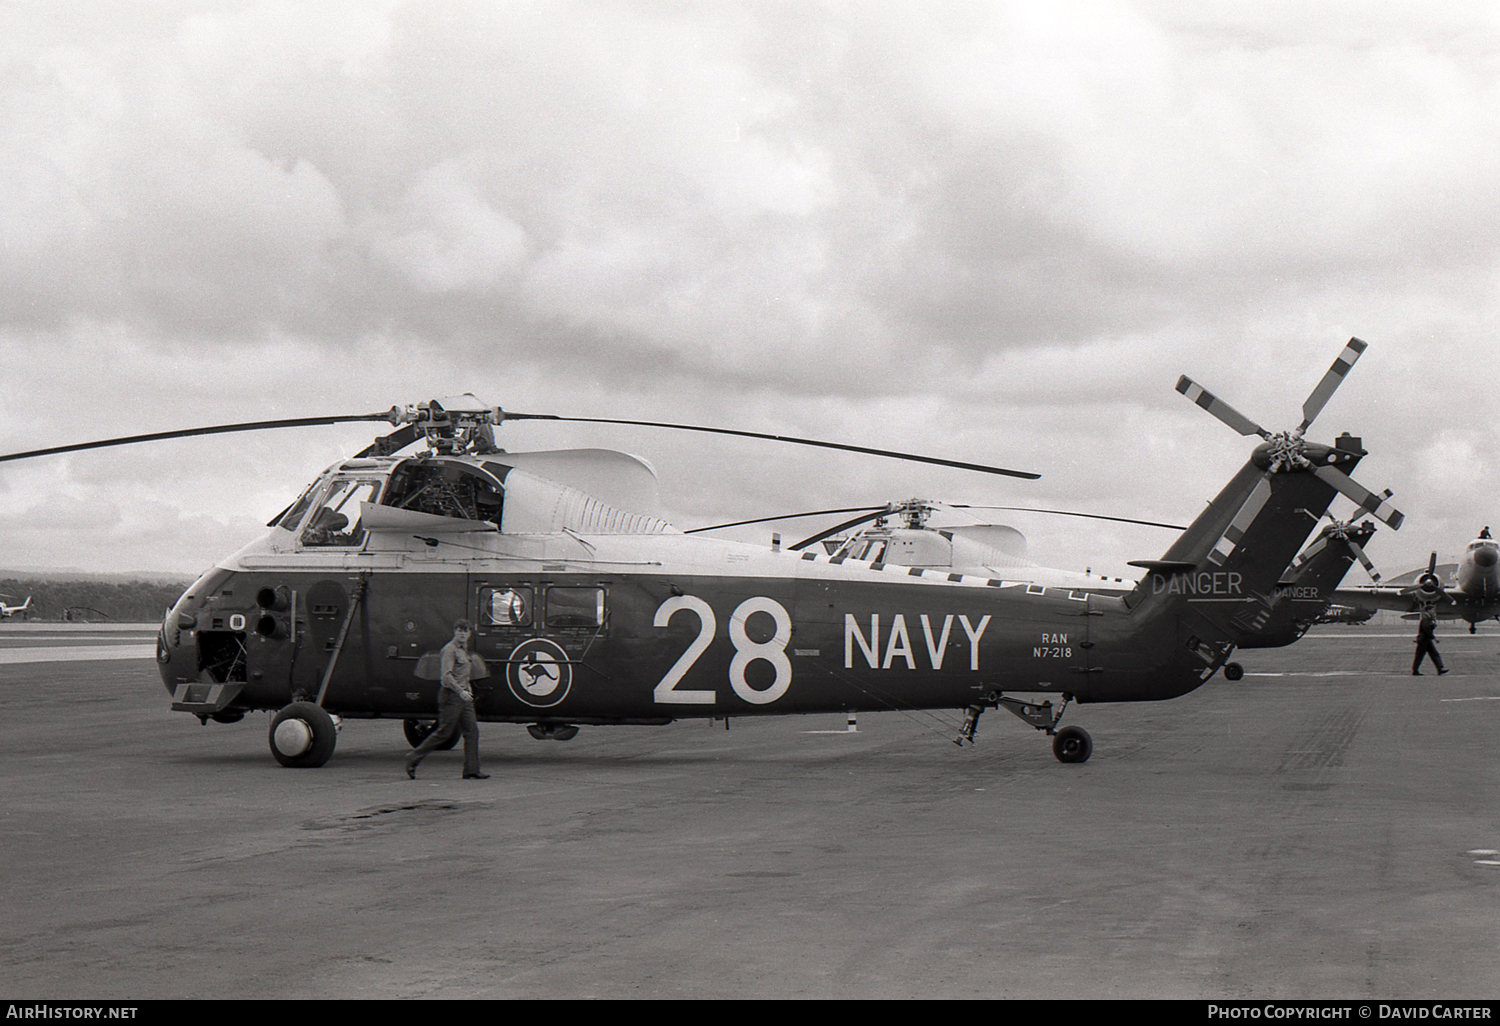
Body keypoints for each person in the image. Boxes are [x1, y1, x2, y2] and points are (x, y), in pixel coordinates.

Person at [405, 619, 489, 779]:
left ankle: (472, 770)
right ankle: (413, 758)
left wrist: (467, 691)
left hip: (464, 697)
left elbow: (464, 675)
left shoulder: (463, 650)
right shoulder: (449, 650)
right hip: (451, 696)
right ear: (454, 632)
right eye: (459, 630)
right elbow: (446, 677)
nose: (462, 634)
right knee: (444, 733)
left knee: (472, 732)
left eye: (466, 631)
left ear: (470, 634)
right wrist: (460, 692)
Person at [1412, 612, 1448, 676]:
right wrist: (1433, 637)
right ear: (1428, 610)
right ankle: (1415, 670)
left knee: (1434, 654)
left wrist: (1433, 625)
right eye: (1432, 610)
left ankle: (1440, 668)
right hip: (1424, 640)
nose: (1433, 612)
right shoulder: (1425, 619)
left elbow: (1428, 629)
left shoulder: (1428, 619)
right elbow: (1426, 630)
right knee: (1420, 655)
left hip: (1427, 640)